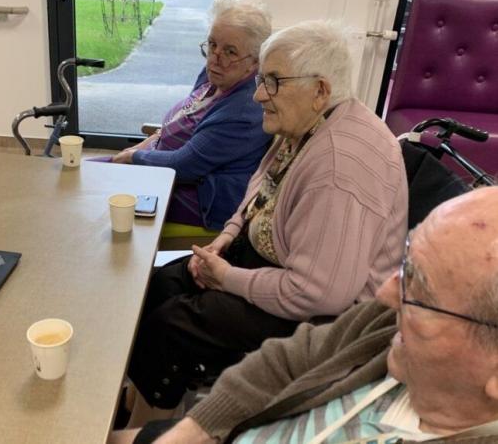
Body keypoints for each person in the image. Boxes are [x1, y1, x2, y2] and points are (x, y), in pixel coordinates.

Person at [123, 21, 408, 425]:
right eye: (261, 80)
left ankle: (146, 429)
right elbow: (261, 187)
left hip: (329, 319)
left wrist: (227, 278)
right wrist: (225, 240)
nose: (258, 95)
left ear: (320, 90)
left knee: (173, 328)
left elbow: (319, 294)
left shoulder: (337, 169)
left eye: (272, 82)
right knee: (158, 287)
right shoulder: (310, 121)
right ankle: (141, 405)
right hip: (282, 262)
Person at [113, 185, 498, 444]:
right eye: (407, 264)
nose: (384, 293)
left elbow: (315, 292)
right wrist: (197, 429)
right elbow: (288, 359)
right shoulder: (389, 323)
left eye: (419, 290)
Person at [104, 0, 273, 230]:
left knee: (100, 191)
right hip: (165, 171)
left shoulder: (244, 111)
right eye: (213, 44)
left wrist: (134, 157)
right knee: (85, 172)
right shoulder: (215, 77)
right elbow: (182, 117)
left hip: (199, 196)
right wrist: (145, 144)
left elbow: (184, 166)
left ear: (255, 62)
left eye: (230, 52)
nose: (215, 58)